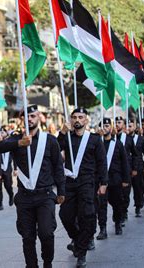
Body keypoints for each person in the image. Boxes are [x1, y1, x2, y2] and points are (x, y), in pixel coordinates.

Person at [0, 105, 65, 268]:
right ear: (22, 119)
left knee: (46, 233)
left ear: (39, 117)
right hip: (25, 197)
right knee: (27, 236)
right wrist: (20, 143)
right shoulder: (16, 138)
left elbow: (58, 166)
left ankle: (47, 262)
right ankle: (31, 265)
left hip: (45, 195)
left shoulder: (49, 140)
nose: (29, 119)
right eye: (26, 116)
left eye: (33, 116)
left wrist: (61, 191)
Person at [58, 108, 107, 268]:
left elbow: (101, 162)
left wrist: (104, 183)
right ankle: (77, 239)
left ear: (86, 120)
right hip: (69, 182)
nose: (77, 120)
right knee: (65, 216)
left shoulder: (94, 139)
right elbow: (55, 149)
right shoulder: (67, 137)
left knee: (87, 216)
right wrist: (62, 132)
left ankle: (82, 252)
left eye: (80, 117)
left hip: (87, 182)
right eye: (74, 117)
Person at [97, 118, 129, 238]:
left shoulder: (117, 144)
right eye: (102, 126)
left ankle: (117, 223)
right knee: (101, 205)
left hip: (115, 179)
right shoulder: (96, 143)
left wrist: (126, 180)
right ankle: (102, 229)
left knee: (117, 204)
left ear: (111, 128)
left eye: (107, 126)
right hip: (101, 181)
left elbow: (124, 163)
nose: (105, 128)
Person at [115, 116, 140, 224]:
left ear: (124, 125)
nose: (117, 124)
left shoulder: (128, 139)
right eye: (115, 122)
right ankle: (118, 215)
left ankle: (123, 212)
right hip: (114, 171)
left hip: (126, 171)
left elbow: (135, 155)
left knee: (125, 194)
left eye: (119, 122)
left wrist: (134, 168)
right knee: (116, 194)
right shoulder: (111, 137)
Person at [127, 120, 144, 216]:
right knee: (125, 190)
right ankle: (124, 210)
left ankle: (138, 206)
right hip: (127, 167)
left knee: (138, 188)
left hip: (138, 166)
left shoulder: (140, 139)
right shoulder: (123, 139)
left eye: (130, 126)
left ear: (135, 127)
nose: (128, 128)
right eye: (127, 126)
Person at [0, 126, 14, 210]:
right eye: (0, 132)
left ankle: (11, 195)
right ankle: (0, 203)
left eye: (3, 132)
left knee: (8, 185)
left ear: (6, 134)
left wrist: (16, 169)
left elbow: (14, 157)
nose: (2, 133)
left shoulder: (10, 143)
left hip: (7, 168)